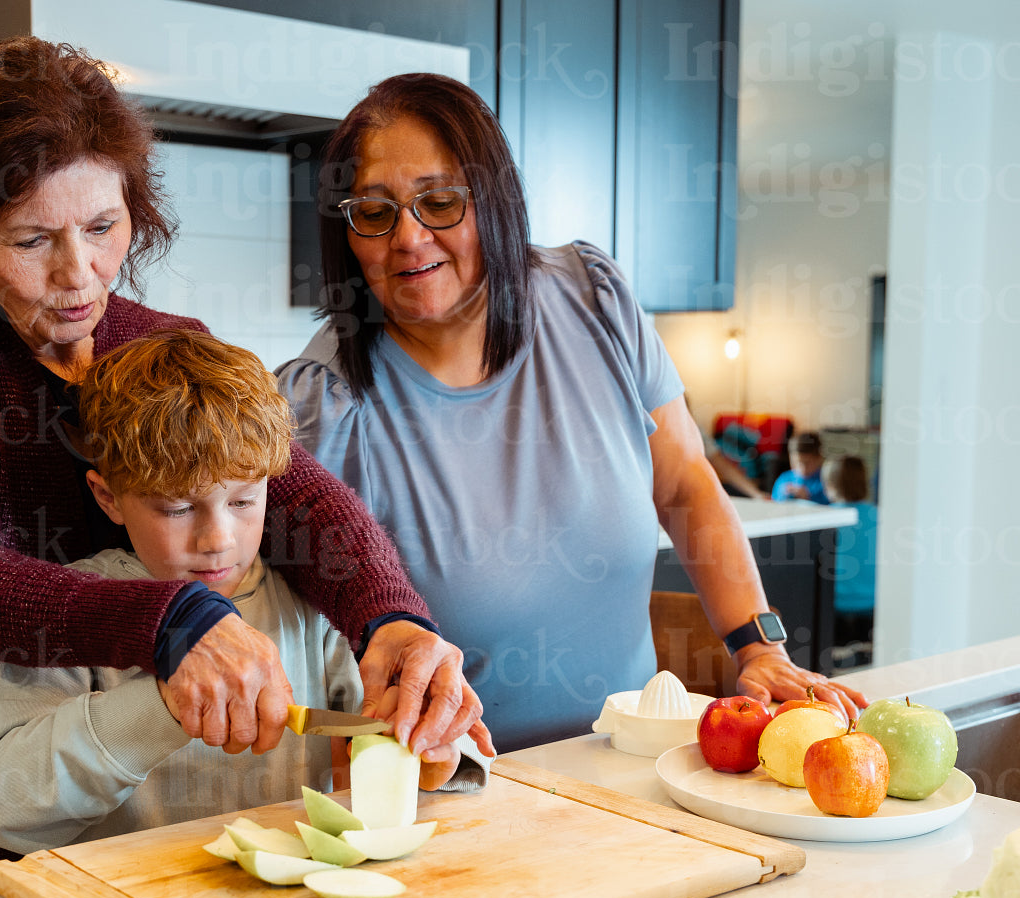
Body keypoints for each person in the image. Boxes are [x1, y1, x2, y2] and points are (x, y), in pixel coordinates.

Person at [0, 40, 486, 898]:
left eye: (103, 227)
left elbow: (296, 496)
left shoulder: (165, 339)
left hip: (115, 839)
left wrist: (389, 621)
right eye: (31, 239)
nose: (79, 273)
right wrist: (174, 621)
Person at [275, 73, 865, 751]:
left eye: (439, 201)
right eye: (375, 213)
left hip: (638, 766)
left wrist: (759, 649)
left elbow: (683, 484)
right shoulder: (325, 403)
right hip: (464, 798)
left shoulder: (594, 299)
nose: (408, 237)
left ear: (493, 201)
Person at [0, 332, 486, 853]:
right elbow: (0, 809)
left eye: (243, 501)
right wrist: (160, 707)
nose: (217, 541)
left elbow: (427, 749)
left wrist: (432, 755)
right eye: (178, 508)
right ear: (108, 497)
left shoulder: (313, 609)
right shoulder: (69, 614)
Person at [822, 455, 877, 651]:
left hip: (835, 610)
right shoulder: (881, 516)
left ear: (830, 485)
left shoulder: (824, 519)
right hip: (874, 608)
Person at [771, 432, 830, 504]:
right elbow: (774, 501)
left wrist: (809, 497)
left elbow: (832, 504)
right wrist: (783, 496)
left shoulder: (826, 480)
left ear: (819, 458)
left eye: (807, 463)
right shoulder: (784, 479)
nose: (802, 468)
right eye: (796, 462)